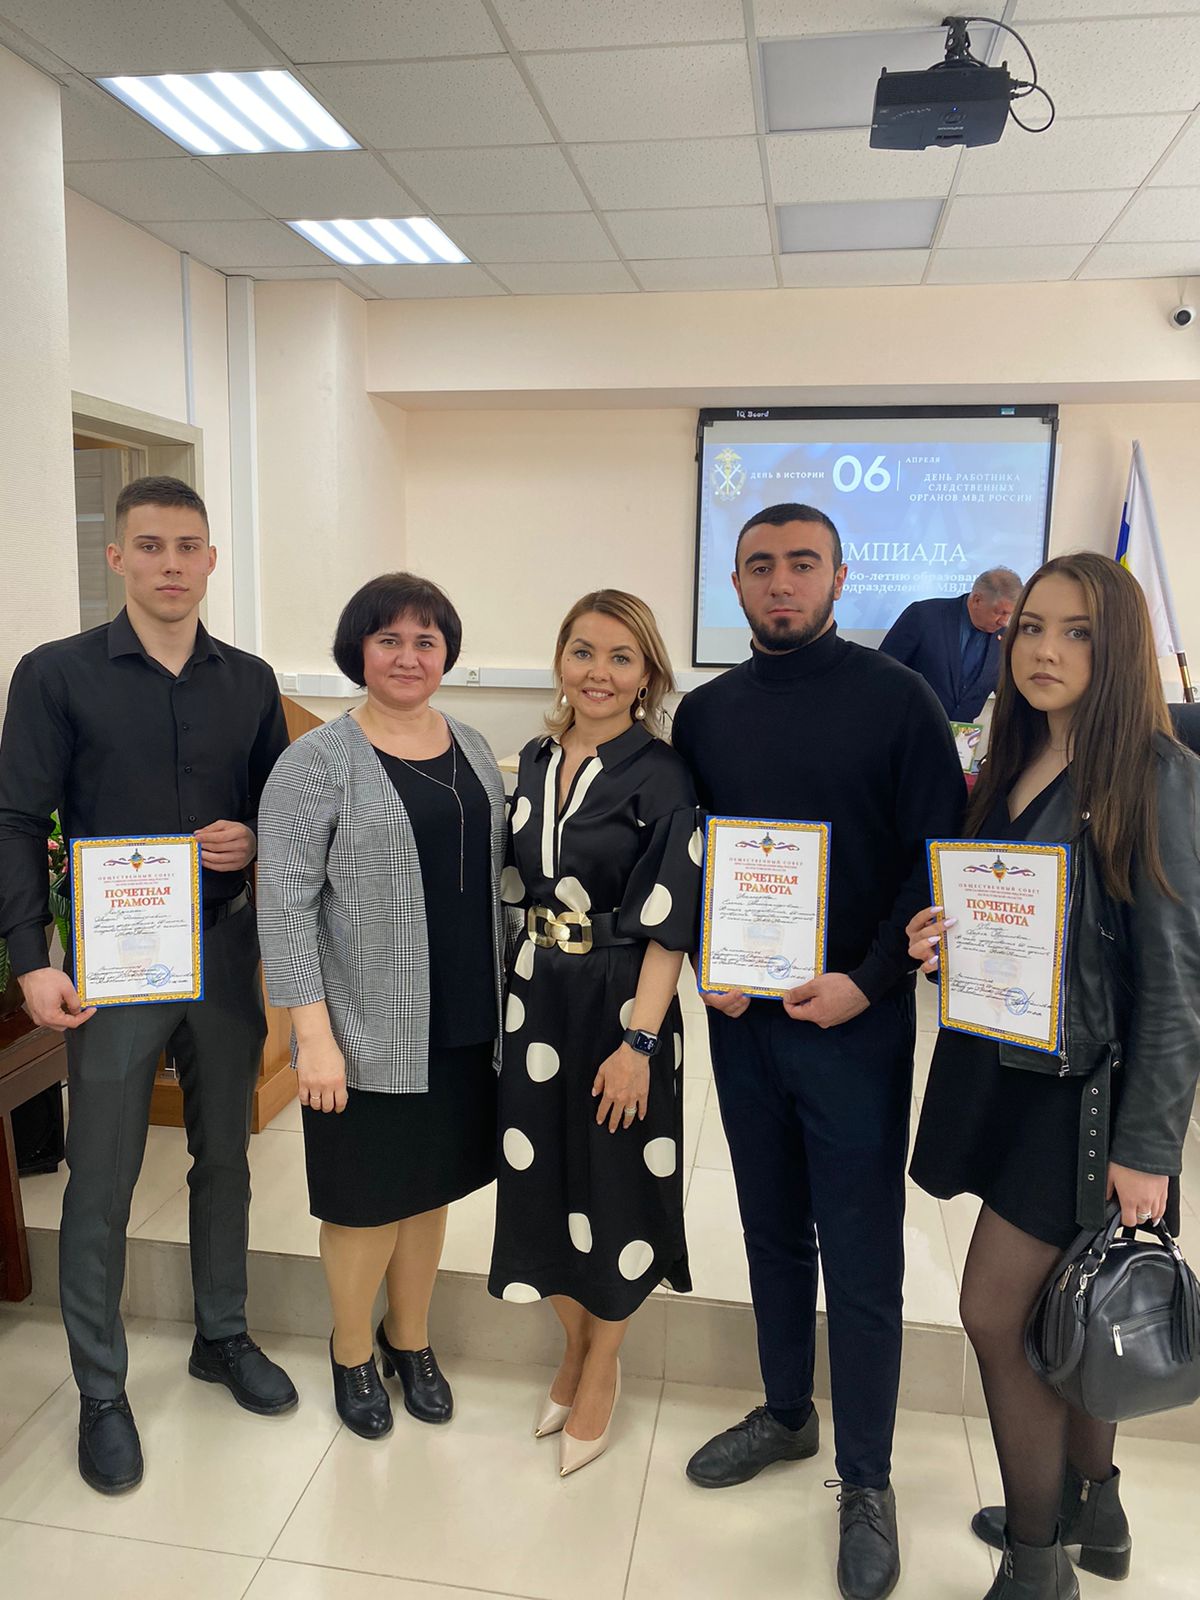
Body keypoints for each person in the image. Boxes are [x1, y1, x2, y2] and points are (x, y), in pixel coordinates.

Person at [670, 504, 965, 1600]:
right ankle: (789, 1411)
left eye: (803, 564)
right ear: (735, 585)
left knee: (862, 1252)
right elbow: (690, 859)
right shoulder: (706, 713)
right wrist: (705, 957)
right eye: (760, 566)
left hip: (854, 1026)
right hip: (744, 1023)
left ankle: (868, 1478)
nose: (780, 582)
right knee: (769, 1229)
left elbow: (934, 862)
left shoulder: (900, 700)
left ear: (842, 576)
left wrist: (869, 981)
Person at [908, 552, 1200, 1600]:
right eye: (1031, 626)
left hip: (1085, 1104)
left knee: (996, 1313)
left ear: (1115, 646)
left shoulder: (1160, 776)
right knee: (1070, 1306)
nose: (1044, 649)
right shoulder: (1014, 757)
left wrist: (1148, 1148)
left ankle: (1039, 1564)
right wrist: (945, 940)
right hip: (1010, 1076)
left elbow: (1178, 981)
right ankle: (1096, 1509)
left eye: (1076, 631)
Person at [0, 475, 296, 1495]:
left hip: (221, 955)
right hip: (114, 969)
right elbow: (14, 820)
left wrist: (252, 837)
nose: (173, 564)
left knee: (227, 1159)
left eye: (189, 546)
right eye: (152, 545)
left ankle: (222, 1333)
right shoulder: (56, 675)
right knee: (102, 1175)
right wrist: (31, 958)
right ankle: (101, 1389)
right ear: (116, 556)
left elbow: (277, 812)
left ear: (212, 559)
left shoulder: (250, 682)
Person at [256, 574, 506, 1441]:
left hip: (462, 1018)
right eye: (389, 639)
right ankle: (352, 1349)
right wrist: (312, 1038)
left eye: (426, 641)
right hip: (363, 1030)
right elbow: (283, 905)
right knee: (363, 1203)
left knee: (429, 1190)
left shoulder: (474, 746)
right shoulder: (316, 761)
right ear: (357, 650)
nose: (408, 656)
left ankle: (412, 1339)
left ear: (447, 654)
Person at [488, 590, 700, 1477]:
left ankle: (603, 1365)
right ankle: (572, 1347)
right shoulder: (535, 758)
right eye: (583, 651)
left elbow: (670, 924)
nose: (599, 673)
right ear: (560, 660)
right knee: (539, 1176)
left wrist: (639, 1044)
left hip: (620, 1001)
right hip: (536, 995)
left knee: (614, 1184)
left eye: (621, 657)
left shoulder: (662, 773)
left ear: (647, 675)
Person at [879, 567, 1023, 721]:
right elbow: (885, 672)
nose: (1004, 621)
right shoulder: (924, 616)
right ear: (977, 600)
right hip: (910, 725)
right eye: (1000, 612)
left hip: (962, 733)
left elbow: (1005, 692)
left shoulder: (1005, 638)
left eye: (1009, 614)